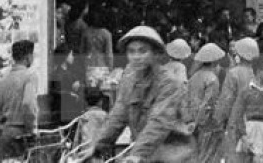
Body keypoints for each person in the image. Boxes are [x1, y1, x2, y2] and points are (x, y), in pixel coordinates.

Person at [78, 25, 195, 163]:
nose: (136, 57)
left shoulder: (169, 83)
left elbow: (158, 122)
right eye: (131, 52)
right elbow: (118, 115)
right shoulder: (129, 79)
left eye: (143, 51)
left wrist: (137, 154)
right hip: (146, 154)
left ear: (155, 53)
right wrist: (97, 145)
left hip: (174, 154)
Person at [0, 39, 39, 159]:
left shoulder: (2, 79)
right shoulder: (30, 76)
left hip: (6, 132)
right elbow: (28, 104)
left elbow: (0, 113)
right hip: (23, 132)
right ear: (28, 57)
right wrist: (32, 130)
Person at [189, 43, 227, 163]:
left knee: (196, 154)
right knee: (209, 156)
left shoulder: (194, 76)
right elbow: (209, 103)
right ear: (215, 61)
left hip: (192, 119)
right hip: (207, 123)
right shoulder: (212, 78)